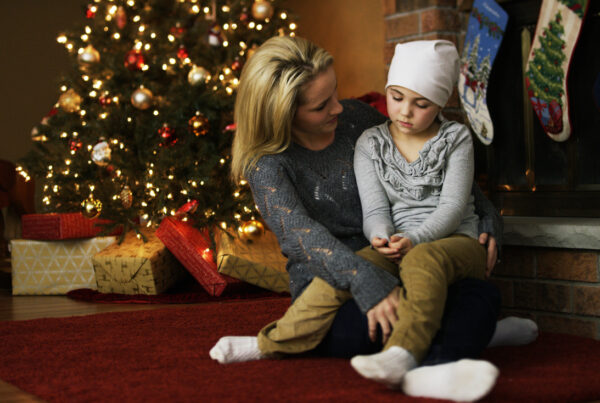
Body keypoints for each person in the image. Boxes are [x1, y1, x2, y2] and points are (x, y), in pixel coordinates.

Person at [210, 36, 537, 402]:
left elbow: (431, 164)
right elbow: (301, 238)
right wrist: (369, 284)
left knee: (480, 295)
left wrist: (488, 218)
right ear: (284, 114)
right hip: (334, 283)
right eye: (321, 106)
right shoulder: (267, 166)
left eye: (335, 92)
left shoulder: (356, 118)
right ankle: (434, 369)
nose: (338, 108)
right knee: (383, 325)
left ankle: (436, 356)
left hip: (403, 255)